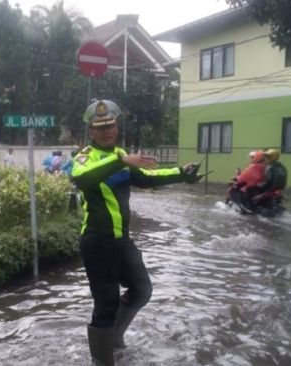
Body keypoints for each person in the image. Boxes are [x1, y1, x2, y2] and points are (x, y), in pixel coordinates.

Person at [71, 99, 202, 365]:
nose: (107, 131)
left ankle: (115, 338)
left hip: (122, 241)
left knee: (142, 289)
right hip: (97, 243)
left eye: (110, 125)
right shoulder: (85, 156)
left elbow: (147, 177)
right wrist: (121, 162)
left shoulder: (121, 155)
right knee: (105, 304)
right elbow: (82, 178)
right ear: (91, 131)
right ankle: (101, 360)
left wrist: (181, 173)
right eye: (100, 127)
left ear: (117, 127)